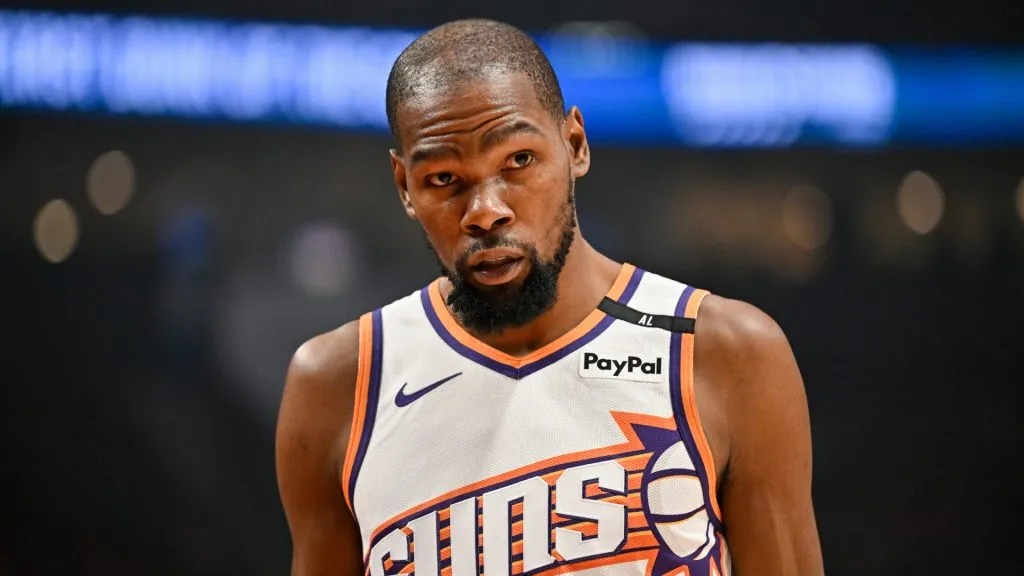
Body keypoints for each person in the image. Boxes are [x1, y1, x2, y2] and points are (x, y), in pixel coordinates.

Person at [275, 18, 823, 576]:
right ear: (404, 187)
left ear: (575, 145)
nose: (485, 211)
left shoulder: (727, 353)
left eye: (517, 161)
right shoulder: (338, 385)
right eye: (444, 179)